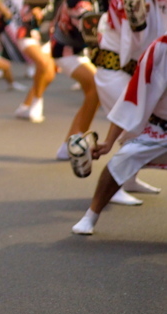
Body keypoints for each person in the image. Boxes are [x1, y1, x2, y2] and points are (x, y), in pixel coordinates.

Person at [80, 0, 167, 200]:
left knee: (139, 126)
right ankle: (115, 183)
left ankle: (127, 179)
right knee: (133, 124)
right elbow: (137, 39)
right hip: (115, 69)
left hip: (139, 73)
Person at [71, 36, 167, 236]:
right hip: (159, 130)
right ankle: (91, 215)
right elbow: (132, 96)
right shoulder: (161, 49)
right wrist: (108, 142)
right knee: (123, 159)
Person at [51, 0, 113, 144]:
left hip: (81, 51)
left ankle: (72, 140)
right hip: (66, 51)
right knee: (95, 87)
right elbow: (91, 29)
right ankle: (73, 142)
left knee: (95, 92)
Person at [8, 0, 60, 123]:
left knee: (48, 73)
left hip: (46, 36)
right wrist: (35, 11)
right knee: (44, 65)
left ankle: (25, 106)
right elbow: (29, 8)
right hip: (28, 33)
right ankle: (37, 105)